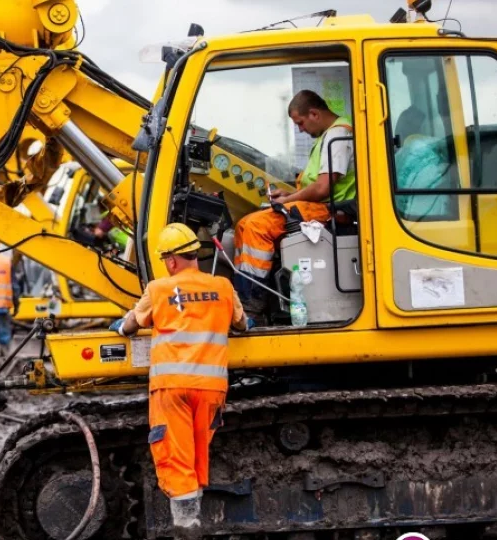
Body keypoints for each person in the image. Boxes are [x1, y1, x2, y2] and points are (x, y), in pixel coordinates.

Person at [109, 222, 247, 538]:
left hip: (172, 387)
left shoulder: (159, 289)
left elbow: (130, 325)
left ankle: (186, 527)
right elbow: (241, 324)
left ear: (171, 260)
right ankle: (194, 516)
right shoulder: (223, 287)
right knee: (198, 454)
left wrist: (120, 327)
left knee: (176, 456)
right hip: (211, 389)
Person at [233, 90, 356, 319]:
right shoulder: (329, 136)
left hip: (331, 211)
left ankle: (252, 305)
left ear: (314, 114)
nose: (300, 129)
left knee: (256, 227)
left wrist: (287, 200)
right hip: (320, 206)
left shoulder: (338, 136)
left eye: (300, 123)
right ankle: (243, 296)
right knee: (244, 223)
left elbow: (322, 189)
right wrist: (290, 194)